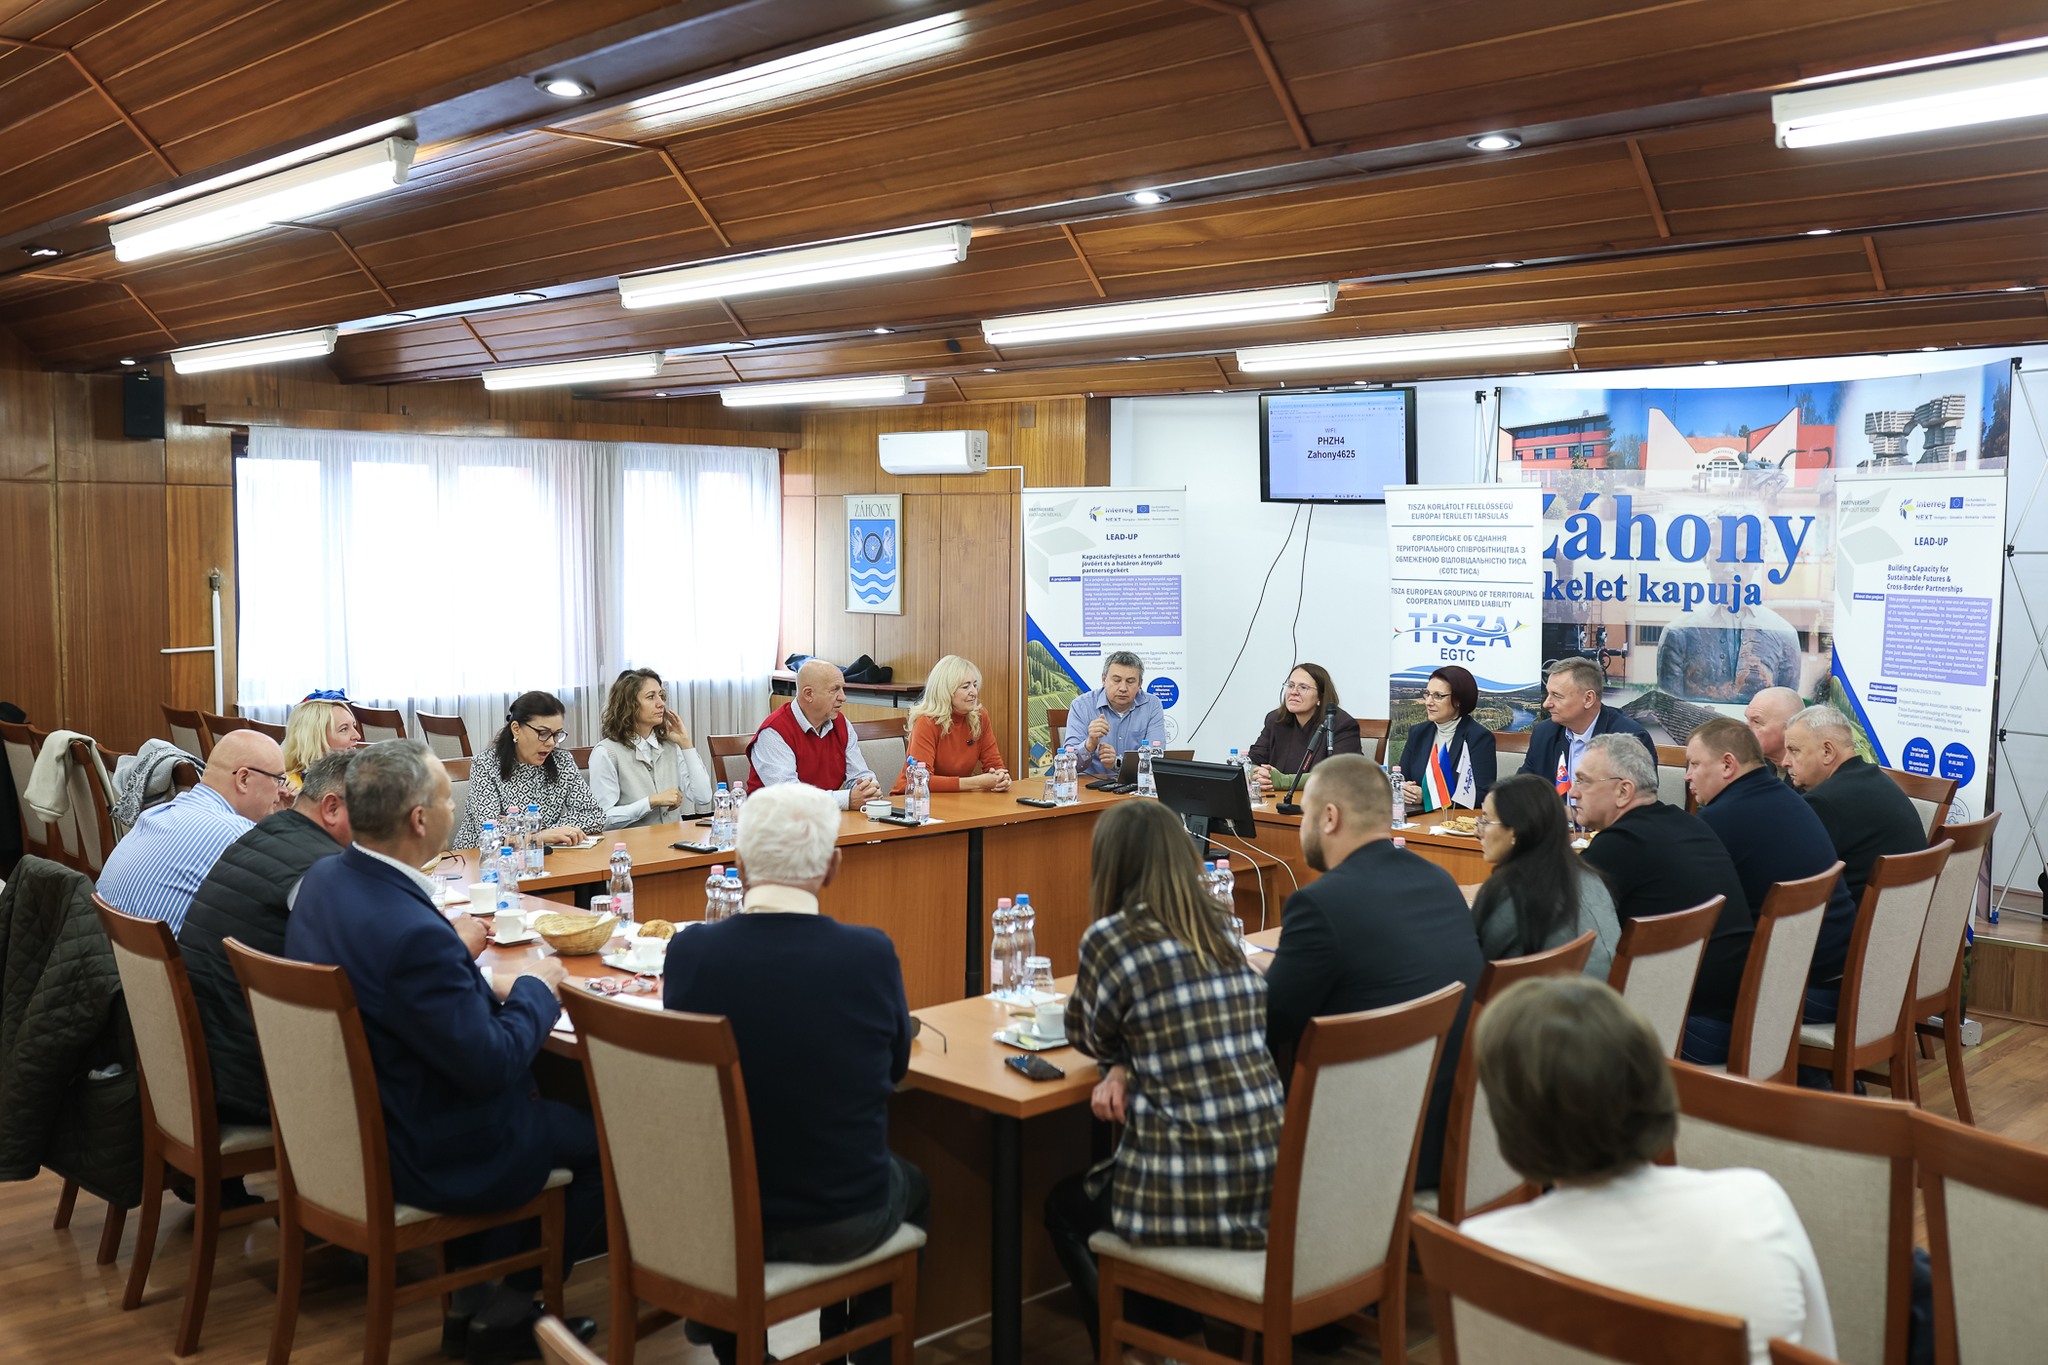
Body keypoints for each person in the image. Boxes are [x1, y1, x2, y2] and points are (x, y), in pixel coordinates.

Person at [287, 740, 601, 1364]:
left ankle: (469, 1302)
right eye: (446, 800)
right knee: (611, 1138)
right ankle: (508, 1312)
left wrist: (465, 969)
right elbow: (491, 1065)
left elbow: (393, 982)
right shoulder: (410, 934)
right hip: (430, 1147)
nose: (455, 809)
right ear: (419, 820)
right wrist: (536, 988)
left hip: (352, 1129)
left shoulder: (324, 879)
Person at [663, 783, 926, 1365]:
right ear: (833, 867)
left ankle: (739, 1351)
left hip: (721, 1222)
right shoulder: (868, 954)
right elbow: (895, 1068)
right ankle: (864, 1352)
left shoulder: (689, 952)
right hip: (838, 1218)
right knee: (915, 1184)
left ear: (739, 864)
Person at [1461, 977, 1836, 1365]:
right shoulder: (1757, 1203)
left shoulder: (1485, 1252)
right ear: (1654, 1081)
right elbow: (1819, 1355)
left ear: (1510, 1121)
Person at [1046, 799, 1283, 1354]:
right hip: (1270, 1185)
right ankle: (1182, 1343)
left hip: (1189, 1190)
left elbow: (1084, 1031)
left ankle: (1138, 1352)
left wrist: (1120, 1059)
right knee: (1137, 1181)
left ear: (1111, 868)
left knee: (1065, 1208)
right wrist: (1126, 1062)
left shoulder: (1113, 938)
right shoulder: (1222, 929)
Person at [1262, 753, 1482, 1190]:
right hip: (1456, 1136)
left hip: (1368, 1156)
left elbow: (1266, 1023)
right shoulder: (1439, 881)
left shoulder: (1321, 904)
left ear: (1329, 817)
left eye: (1305, 813)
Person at [178, 749, 355, 1129]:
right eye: (374, 816)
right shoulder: (320, 869)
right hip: (254, 1083)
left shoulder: (258, 834)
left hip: (203, 1060)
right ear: (331, 808)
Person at [1573, 735, 1753, 1025]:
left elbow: (1563, 926)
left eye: (1583, 781)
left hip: (1680, 1025)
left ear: (1623, 791)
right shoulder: (1689, 823)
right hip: (1732, 1010)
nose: (1573, 792)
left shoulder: (1620, 845)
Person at [1686, 717, 1857, 999]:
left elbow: (1695, 916)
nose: (1688, 776)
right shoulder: (1791, 799)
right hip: (1840, 972)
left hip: (1795, 992)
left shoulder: (1718, 821)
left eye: (1694, 764)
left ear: (1727, 765)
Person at [96, 728, 292, 934]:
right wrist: (295, 820)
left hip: (112, 947)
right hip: (167, 953)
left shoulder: (157, 813)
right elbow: (298, 899)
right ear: (243, 779)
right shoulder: (238, 836)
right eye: (278, 779)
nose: (283, 791)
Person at [1471, 773, 1620, 979]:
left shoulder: (1511, 893)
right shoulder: (1591, 878)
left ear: (1515, 831)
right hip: (1602, 995)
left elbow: (1472, 963)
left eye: (1486, 821)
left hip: (1541, 998)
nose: (1478, 831)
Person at [1783, 705, 1926, 907]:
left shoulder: (1824, 802)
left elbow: (1792, 877)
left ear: (1827, 751)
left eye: (1794, 751)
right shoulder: (1876, 778)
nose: (1785, 762)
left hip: (1859, 920)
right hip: (1903, 913)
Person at [454, 690, 605, 851]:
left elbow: (594, 815)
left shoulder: (562, 762)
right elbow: (489, 831)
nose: (551, 743)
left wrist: (540, 831)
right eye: (543, 733)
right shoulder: (485, 765)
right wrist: (540, 835)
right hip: (479, 858)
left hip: (540, 856)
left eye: (556, 734)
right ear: (516, 729)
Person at [745, 659, 882, 810]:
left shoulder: (841, 724)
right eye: (834, 690)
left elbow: (859, 775)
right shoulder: (773, 732)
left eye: (842, 689)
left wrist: (868, 789)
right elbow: (788, 797)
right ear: (808, 694)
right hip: (772, 819)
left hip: (822, 817)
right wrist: (847, 799)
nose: (843, 697)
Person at [587, 668, 713, 828]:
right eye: (651, 697)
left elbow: (703, 797)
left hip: (676, 840)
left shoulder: (671, 746)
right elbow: (602, 819)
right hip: (630, 843)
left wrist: (686, 744)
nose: (661, 704)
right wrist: (651, 802)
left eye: (661, 696)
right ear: (629, 705)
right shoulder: (606, 752)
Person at [1518, 657, 1656, 798]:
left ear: (1588, 699)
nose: (1546, 704)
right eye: (1548, 694)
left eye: (1557, 696)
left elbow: (1637, 803)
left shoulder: (1630, 739)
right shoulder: (1543, 734)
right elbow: (1521, 791)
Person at [893, 654, 1010, 793]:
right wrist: (977, 782)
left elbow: (995, 765)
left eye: (975, 685)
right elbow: (921, 780)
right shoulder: (926, 722)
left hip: (957, 799)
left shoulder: (979, 717)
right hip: (914, 800)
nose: (974, 692)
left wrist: (1001, 778)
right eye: (965, 687)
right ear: (946, 691)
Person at [1247, 661, 1362, 797]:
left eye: (1303, 687)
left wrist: (1284, 781)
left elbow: (1342, 773)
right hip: (1276, 800)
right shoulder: (1275, 720)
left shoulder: (1342, 724)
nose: (1294, 692)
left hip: (1320, 802)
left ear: (1320, 697)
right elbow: (1252, 760)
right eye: (1291, 685)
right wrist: (1259, 776)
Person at [1396, 664, 1498, 810]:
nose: (1428, 702)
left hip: (1453, 820)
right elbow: (1402, 778)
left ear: (1458, 700)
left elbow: (1482, 795)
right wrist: (1403, 789)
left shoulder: (1479, 738)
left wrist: (1428, 797)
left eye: (1438, 696)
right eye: (1427, 694)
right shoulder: (1418, 733)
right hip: (1416, 817)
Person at [1062, 652, 1166, 776]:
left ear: (1139, 684)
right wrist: (1090, 744)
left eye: (1130, 681)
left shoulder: (1152, 705)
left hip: (1136, 784)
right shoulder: (1081, 705)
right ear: (1104, 680)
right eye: (1116, 680)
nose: (1123, 688)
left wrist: (1116, 763)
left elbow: (1155, 759)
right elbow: (1068, 765)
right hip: (1090, 784)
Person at [280, 689, 360, 789]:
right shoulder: (289, 789)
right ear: (316, 738)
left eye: (354, 726)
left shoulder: (360, 776)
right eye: (344, 729)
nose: (357, 736)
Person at [1743, 686, 1803, 784]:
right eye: (1747, 719)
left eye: (1756, 722)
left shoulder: (1810, 776)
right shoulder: (1751, 767)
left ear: (1789, 728)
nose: (1746, 728)